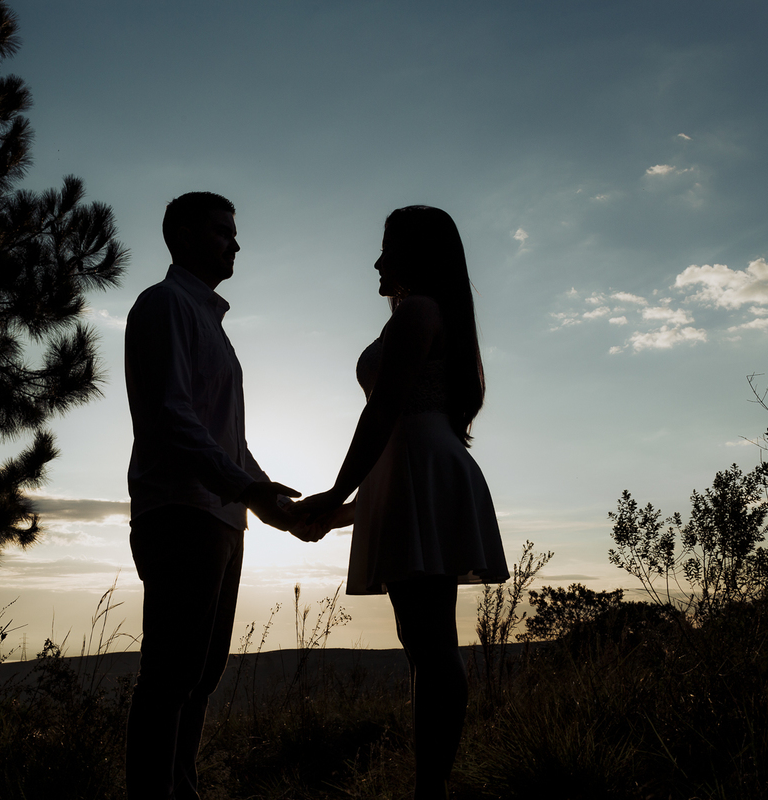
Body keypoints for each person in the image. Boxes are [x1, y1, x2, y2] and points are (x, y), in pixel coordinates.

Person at [296, 205, 509, 800]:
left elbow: (385, 409)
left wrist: (336, 491)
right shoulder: (427, 313)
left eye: (387, 248)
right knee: (424, 644)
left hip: (423, 471)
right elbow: (393, 439)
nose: (376, 261)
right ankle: (428, 788)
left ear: (414, 254)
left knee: (431, 645)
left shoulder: (418, 311)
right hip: (415, 473)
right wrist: (344, 512)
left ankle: (430, 791)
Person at [123, 191, 310, 800]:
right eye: (222, 231)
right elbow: (171, 417)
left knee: (200, 676)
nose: (236, 243)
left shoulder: (209, 323)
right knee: (171, 676)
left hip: (222, 519)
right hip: (181, 511)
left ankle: (181, 789)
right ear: (183, 235)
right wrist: (246, 489)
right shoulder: (164, 305)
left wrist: (269, 505)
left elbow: (228, 439)